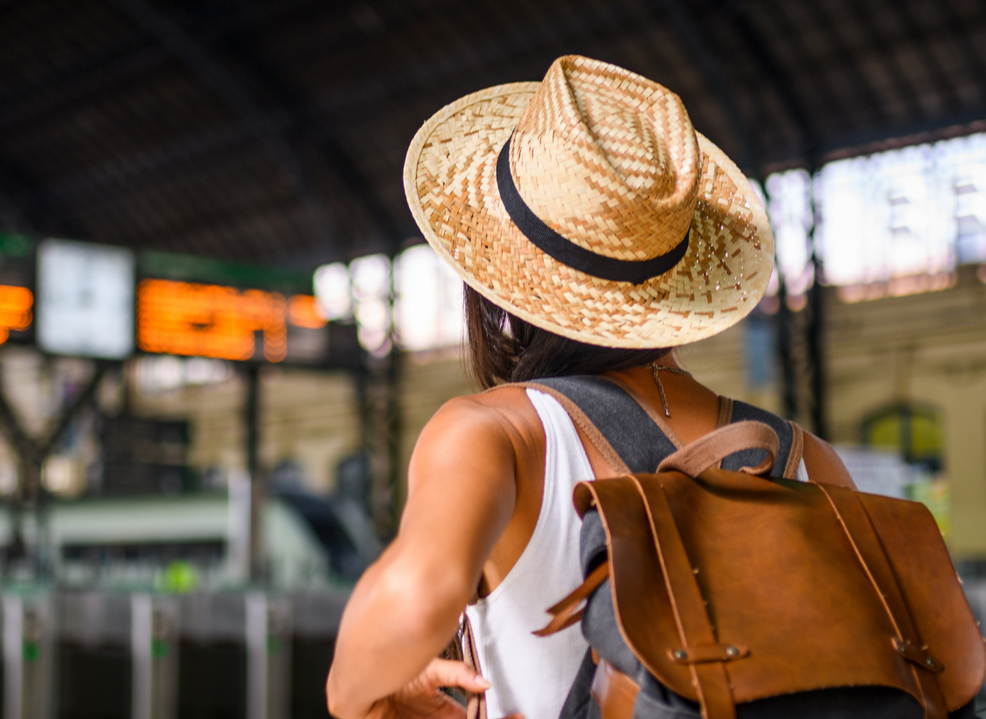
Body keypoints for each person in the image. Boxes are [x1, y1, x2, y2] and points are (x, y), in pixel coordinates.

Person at [324, 56, 854, 719]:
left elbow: (416, 598)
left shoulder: (496, 435)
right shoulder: (806, 458)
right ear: (673, 283)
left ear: (495, 280)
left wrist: (357, 693)